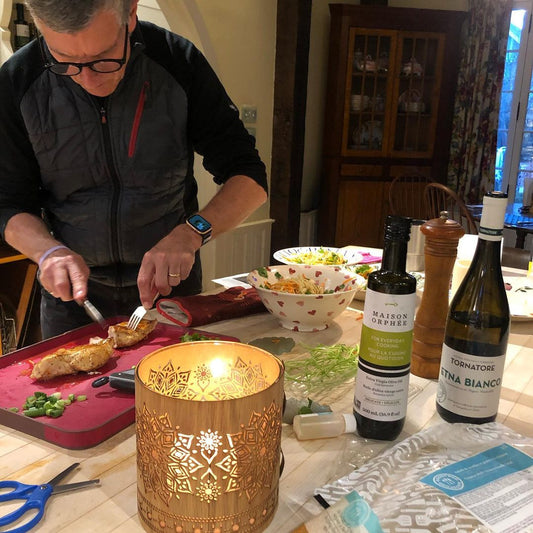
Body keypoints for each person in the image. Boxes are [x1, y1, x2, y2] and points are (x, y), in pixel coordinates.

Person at [0, 0, 268, 339]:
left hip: (169, 290)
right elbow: (8, 203)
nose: (88, 80)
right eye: (64, 62)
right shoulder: (17, 81)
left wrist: (191, 232)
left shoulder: (177, 62)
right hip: (73, 302)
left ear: (130, 12)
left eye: (104, 59)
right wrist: (47, 251)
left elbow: (248, 176)